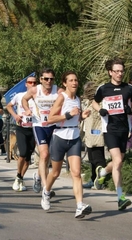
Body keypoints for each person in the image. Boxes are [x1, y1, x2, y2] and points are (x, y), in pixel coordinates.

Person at [40, 71, 92, 218]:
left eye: (76, 80)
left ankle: (79, 206)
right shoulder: (61, 98)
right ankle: (46, 192)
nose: (74, 83)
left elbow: (76, 118)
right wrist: (69, 114)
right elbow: (50, 118)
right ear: (64, 83)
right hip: (60, 137)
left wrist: (82, 116)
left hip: (74, 137)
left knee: (76, 173)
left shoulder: (78, 99)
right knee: (55, 173)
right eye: (71, 80)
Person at [92, 58, 132, 210]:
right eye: (117, 71)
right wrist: (99, 109)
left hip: (124, 130)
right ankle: (120, 197)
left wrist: (131, 111)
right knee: (118, 161)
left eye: (121, 71)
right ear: (110, 72)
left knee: (117, 162)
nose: (120, 74)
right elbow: (94, 102)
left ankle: (102, 172)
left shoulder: (129, 88)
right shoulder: (103, 88)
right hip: (110, 130)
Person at [22, 68, 61, 194]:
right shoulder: (35, 90)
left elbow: (68, 99)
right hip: (39, 125)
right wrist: (27, 109)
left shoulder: (58, 91)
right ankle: (46, 188)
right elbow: (24, 99)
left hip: (54, 125)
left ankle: (38, 177)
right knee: (44, 154)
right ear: (41, 79)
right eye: (46, 78)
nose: (48, 81)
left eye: (51, 79)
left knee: (48, 155)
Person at [6, 75, 37, 191]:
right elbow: (9, 106)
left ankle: (20, 178)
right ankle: (18, 175)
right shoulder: (19, 96)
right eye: (30, 82)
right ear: (26, 84)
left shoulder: (39, 97)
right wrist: (15, 115)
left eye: (34, 83)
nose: (32, 84)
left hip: (34, 129)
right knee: (23, 153)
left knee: (28, 157)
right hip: (21, 128)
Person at [81, 81, 111, 190]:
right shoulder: (92, 103)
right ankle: (94, 179)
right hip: (94, 133)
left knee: (97, 158)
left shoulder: (94, 104)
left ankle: (99, 181)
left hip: (94, 132)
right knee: (94, 158)